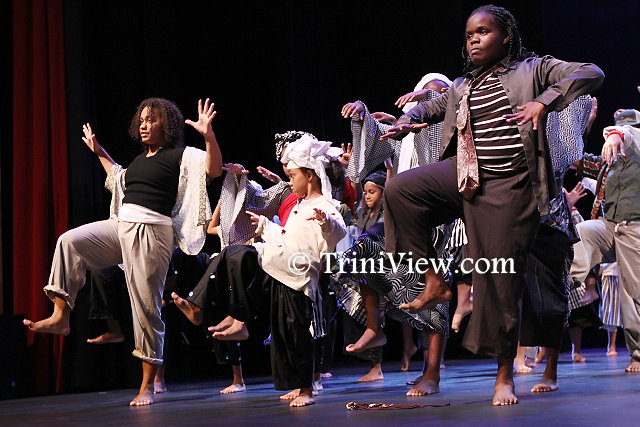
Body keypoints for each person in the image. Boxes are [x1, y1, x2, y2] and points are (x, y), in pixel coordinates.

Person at [381, 5, 603, 405]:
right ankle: (432, 281)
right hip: (465, 172)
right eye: (469, 35)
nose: (474, 40)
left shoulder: (533, 69)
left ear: (506, 36)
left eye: (483, 32)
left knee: (500, 282)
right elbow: (431, 107)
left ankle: (504, 377)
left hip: (509, 184)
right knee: (401, 190)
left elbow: (591, 72)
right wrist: (406, 119)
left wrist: (544, 101)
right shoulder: (463, 85)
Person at [23, 98, 223, 406]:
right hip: (121, 226)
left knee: (146, 308)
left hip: (151, 232)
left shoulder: (182, 155)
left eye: (151, 120)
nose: (144, 125)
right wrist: (98, 150)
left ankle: (147, 386)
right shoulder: (140, 160)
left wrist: (208, 135)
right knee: (69, 242)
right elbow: (117, 177)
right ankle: (61, 316)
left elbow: (213, 169)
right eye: (141, 120)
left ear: (167, 125)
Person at [173, 134, 346, 407]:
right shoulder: (299, 205)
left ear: (310, 175)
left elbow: (338, 230)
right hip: (279, 267)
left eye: (293, 176)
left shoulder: (325, 206)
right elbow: (288, 238)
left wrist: (326, 222)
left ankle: (306, 390)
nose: (290, 181)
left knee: (296, 334)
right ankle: (216, 311)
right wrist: (266, 225)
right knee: (235, 256)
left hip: (299, 275)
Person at [571, 108, 640, 373]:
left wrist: (618, 134)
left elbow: (628, 136)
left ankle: (638, 354)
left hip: (635, 228)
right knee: (582, 232)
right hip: (610, 226)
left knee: (633, 295)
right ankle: (570, 286)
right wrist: (586, 123)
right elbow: (574, 159)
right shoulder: (607, 161)